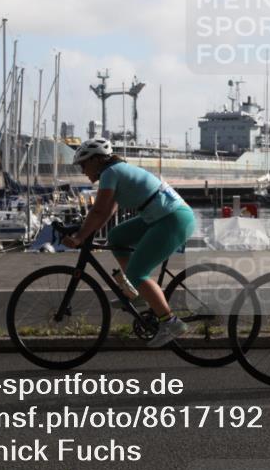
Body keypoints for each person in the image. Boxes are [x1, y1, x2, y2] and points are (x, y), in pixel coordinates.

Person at [62, 138, 195, 347]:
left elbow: (99, 211)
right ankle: (136, 293)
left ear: (97, 160)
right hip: (162, 216)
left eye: (83, 164)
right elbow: (108, 210)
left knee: (136, 271)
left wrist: (80, 237)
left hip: (173, 219)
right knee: (116, 237)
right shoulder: (116, 171)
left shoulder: (110, 173)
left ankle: (171, 322)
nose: (82, 170)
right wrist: (86, 231)